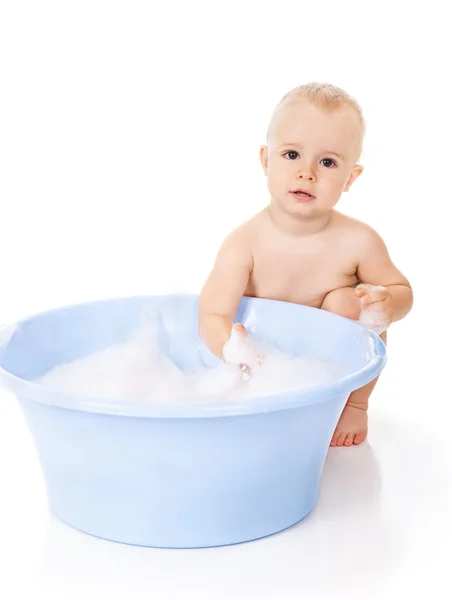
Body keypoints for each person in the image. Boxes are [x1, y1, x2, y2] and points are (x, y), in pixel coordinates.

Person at [198, 82, 413, 447]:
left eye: (327, 162)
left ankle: (354, 405)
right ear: (266, 160)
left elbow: (402, 292)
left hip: (327, 369)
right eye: (292, 155)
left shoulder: (359, 241)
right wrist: (234, 354)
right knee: (234, 351)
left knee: (349, 303)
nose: (307, 172)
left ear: (350, 178)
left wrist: (387, 303)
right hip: (264, 364)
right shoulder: (244, 244)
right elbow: (212, 314)